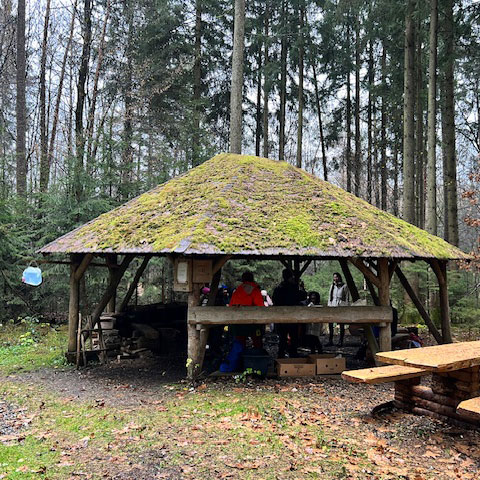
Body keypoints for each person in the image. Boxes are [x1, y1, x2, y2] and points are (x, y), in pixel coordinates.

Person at [272, 269, 304, 357]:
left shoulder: (278, 288)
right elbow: (302, 296)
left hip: (281, 316)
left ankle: (281, 356)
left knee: (282, 338)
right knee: (293, 337)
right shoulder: (293, 288)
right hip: (292, 316)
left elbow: (274, 300)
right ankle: (293, 355)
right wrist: (302, 288)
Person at [229, 271, 264, 348]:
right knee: (257, 341)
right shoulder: (255, 290)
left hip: (238, 321)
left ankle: (240, 354)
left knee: (240, 342)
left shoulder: (237, 291)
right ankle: (257, 354)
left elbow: (231, 306)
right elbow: (260, 306)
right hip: (253, 321)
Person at [327, 272, 350, 347]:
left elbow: (347, 297)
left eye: (336, 277)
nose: (335, 278)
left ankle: (340, 341)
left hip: (341, 305)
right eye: (334, 277)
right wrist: (329, 305)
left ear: (339, 277)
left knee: (341, 324)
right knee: (330, 323)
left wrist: (346, 307)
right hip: (333, 305)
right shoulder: (332, 286)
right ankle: (330, 340)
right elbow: (330, 296)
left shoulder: (344, 286)